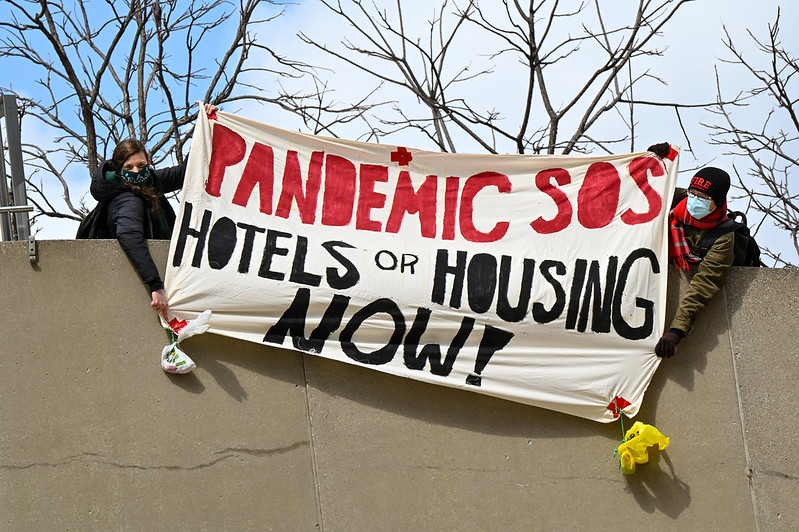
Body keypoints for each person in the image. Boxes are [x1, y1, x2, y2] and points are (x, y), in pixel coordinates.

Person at [89, 103, 217, 319]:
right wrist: (155, 286)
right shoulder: (128, 199)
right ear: (118, 169)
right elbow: (129, 237)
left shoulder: (150, 182)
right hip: (139, 281)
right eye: (129, 168)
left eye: (140, 165)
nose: (136, 171)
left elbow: (187, 171)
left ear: (149, 163)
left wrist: (204, 126)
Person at [647, 143, 735, 358]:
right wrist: (651, 160)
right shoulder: (672, 199)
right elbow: (642, 189)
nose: (694, 200)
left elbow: (705, 283)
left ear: (718, 201)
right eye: (692, 193)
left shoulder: (724, 236)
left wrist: (677, 330)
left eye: (704, 197)